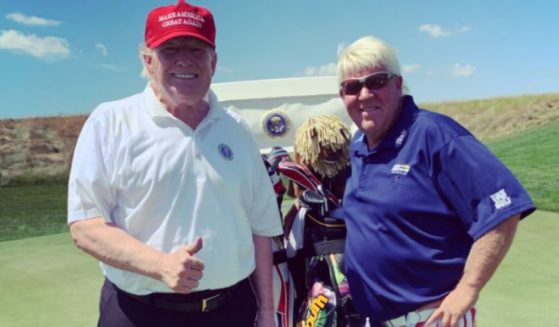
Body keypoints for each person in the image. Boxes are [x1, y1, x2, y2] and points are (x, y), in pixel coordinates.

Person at [67, 1, 282, 326]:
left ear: (214, 60)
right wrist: (159, 264)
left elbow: (260, 227)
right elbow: (86, 226)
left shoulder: (235, 128)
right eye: (170, 49)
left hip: (231, 310)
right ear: (148, 60)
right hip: (137, 312)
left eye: (197, 48)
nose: (185, 59)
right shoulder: (110, 122)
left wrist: (267, 311)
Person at [336, 35, 535, 327]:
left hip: (431, 319)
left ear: (397, 84)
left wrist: (467, 290)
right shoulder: (359, 145)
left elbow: (502, 211)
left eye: (376, 81)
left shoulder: (436, 135)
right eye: (352, 87)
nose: (364, 94)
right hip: (375, 320)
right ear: (343, 96)